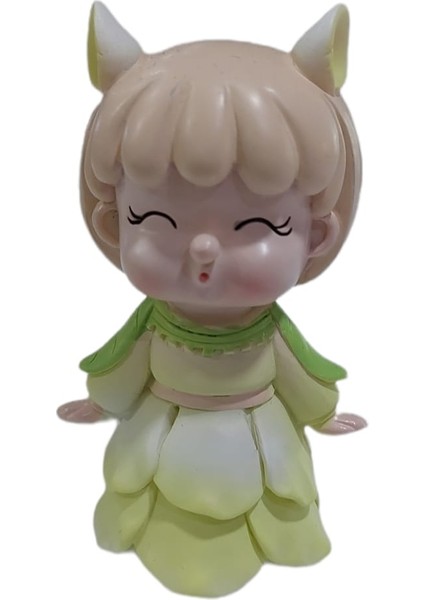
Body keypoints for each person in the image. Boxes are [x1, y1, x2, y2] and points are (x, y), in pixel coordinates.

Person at [58, 3, 366, 596]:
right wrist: (101, 400)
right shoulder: (156, 322)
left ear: (315, 235)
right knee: (138, 496)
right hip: (160, 431)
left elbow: (299, 371)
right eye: (152, 219)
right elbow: (125, 361)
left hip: (256, 433)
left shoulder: (267, 334)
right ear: (112, 222)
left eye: (257, 225)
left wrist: (322, 414)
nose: (202, 248)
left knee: (278, 503)